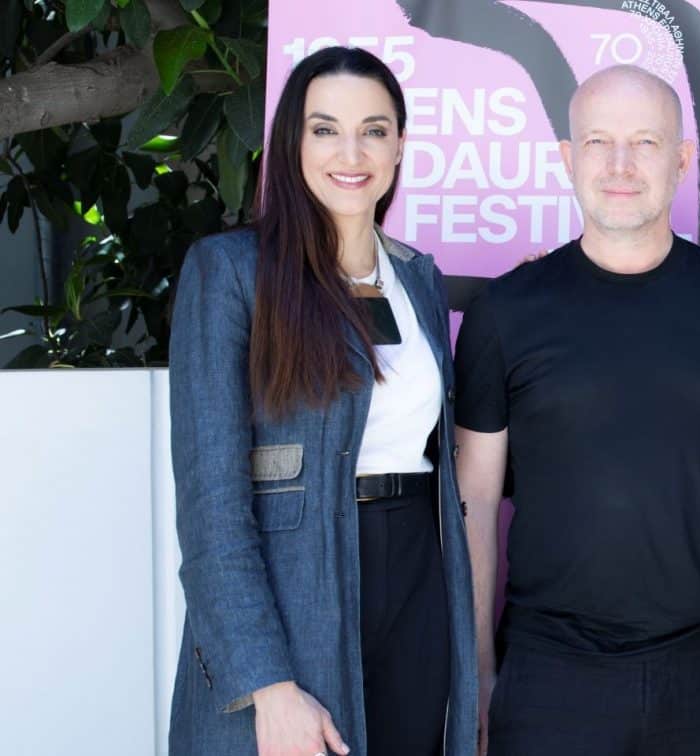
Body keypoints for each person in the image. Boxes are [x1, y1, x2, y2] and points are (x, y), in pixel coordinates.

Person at [454, 64, 700, 756]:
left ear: (682, 160)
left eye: (644, 142)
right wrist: (480, 672)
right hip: (551, 677)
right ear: (566, 157)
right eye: (597, 142)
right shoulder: (504, 313)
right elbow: (475, 503)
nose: (619, 165)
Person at [167, 46, 476, 756]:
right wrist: (267, 683)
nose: (351, 153)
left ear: (399, 145)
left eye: (374, 130)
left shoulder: (418, 278)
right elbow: (212, 505)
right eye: (326, 129)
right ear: (292, 142)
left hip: (420, 578)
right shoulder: (231, 272)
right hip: (300, 581)